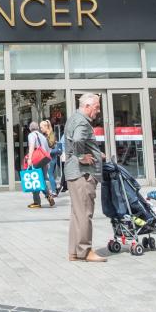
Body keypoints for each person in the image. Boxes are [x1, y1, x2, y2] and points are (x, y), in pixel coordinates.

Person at [64, 93, 106, 262]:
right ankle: (85, 250)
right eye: (96, 107)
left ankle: (74, 251)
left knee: (77, 213)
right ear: (87, 106)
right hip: (83, 174)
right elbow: (78, 139)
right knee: (85, 213)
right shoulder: (82, 122)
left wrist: (95, 152)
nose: (98, 111)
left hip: (74, 173)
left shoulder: (73, 118)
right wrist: (82, 156)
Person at [25, 121, 55, 209]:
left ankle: (37, 202)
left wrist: (30, 158)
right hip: (44, 160)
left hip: (36, 160)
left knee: (34, 179)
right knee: (41, 179)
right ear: (37, 128)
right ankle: (48, 196)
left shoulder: (31, 135)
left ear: (30, 129)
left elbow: (31, 146)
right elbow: (47, 149)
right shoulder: (42, 136)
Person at [40, 120, 61, 196]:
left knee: (50, 174)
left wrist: (45, 140)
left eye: (42, 127)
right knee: (50, 174)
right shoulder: (48, 134)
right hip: (50, 157)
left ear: (46, 127)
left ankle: (54, 191)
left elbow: (50, 145)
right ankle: (55, 188)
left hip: (51, 157)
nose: (41, 129)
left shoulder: (50, 134)